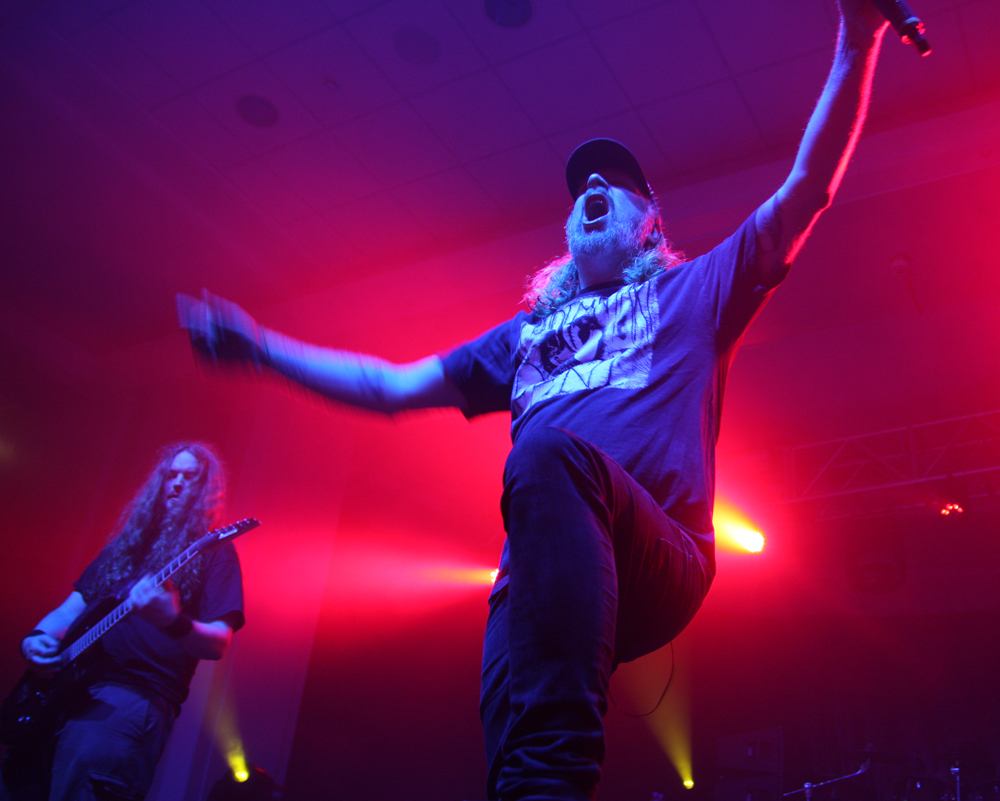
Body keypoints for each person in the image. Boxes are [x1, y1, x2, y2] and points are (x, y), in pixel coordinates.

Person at [177, 3, 890, 798]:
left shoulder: (694, 292)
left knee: (546, 457)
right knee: (517, 767)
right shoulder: (521, 340)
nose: (593, 184)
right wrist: (261, 348)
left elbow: (807, 189)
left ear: (649, 224)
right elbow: (389, 386)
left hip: (656, 553)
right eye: (582, 184)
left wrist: (858, 38)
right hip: (537, 581)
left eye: (615, 183)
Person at [0, 443, 245, 801]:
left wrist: (171, 620)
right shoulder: (126, 546)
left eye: (189, 477)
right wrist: (35, 639)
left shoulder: (215, 552)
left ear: (206, 488)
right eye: (170, 475)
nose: (177, 483)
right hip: (65, 690)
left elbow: (218, 641)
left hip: (131, 697)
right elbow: (70, 610)